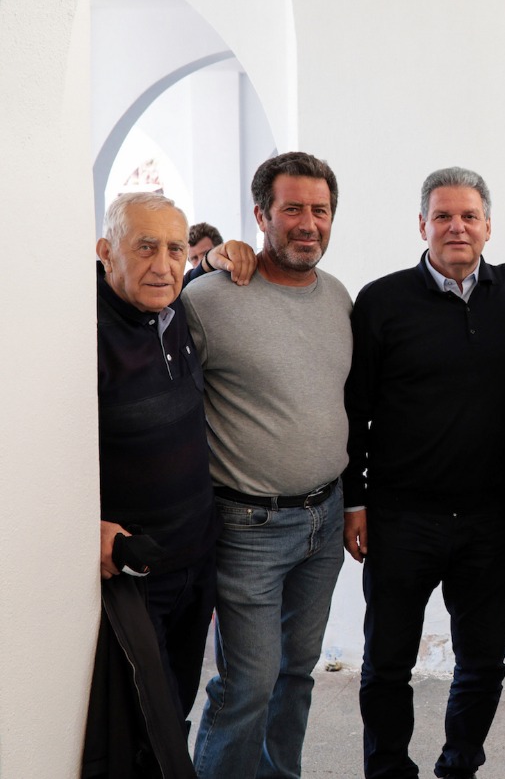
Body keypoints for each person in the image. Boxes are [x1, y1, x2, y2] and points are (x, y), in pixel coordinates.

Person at [343, 167, 505, 779]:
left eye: (468, 216)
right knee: (387, 663)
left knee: (483, 663)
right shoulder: (381, 302)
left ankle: (459, 766)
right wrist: (355, 501)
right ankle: (387, 769)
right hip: (400, 517)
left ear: (488, 226)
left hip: (492, 520)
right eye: (442, 216)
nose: (456, 227)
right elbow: (354, 410)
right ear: (422, 225)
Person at [184, 152, 354, 779]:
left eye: (320, 210)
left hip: (324, 519)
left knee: (295, 674)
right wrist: (206, 261)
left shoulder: (338, 297)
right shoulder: (209, 299)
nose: (308, 223)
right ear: (260, 215)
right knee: (248, 683)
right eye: (292, 209)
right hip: (247, 526)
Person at [86, 192, 253, 779]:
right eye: (145, 247)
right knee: (143, 724)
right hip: (133, 573)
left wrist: (220, 258)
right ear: (106, 252)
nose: (163, 265)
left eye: (175, 249)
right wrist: (84, 525)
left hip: (195, 557)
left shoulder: (176, 305)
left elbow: (194, 271)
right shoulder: (79, 332)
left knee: (176, 704)